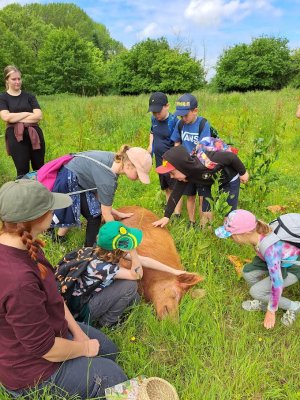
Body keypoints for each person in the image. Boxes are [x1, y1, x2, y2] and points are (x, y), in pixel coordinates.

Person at [0, 180, 127, 399]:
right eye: (50, 209)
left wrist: (78, 335)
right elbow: (45, 349)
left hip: (49, 331)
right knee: (112, 376)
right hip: (31, 371)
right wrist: (85, 349)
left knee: (109, 350)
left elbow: (54, 298)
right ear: (36, 219)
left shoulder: (27, 244)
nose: (54, 212)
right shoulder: (19, 281)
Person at [56, 220, 191, 327]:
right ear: (117, 248)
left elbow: (145, 260)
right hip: (83, 308)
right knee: (130, 286)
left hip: (84, 296)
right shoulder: (103, 267)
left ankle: (114, 311)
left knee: (135, 299)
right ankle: (108, 322)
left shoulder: (101, 251)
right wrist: (133, 252)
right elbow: (137, 275)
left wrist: (174, 271)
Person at [42, 145, 152, 246]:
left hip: (71, 172)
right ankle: (89, 250)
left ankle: (57, 237)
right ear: (128, 165)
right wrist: (122, 237)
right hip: (70, 181)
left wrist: (117, 213)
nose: (138, 179)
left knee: (84, 207)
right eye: (138, 174)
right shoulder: (108, 181)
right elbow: (106, 213)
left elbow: (101, 198)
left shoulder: (114, 160)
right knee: (94, 215)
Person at [215, 209, 300, 329]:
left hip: (292, 267)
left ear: (245, 233)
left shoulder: (270, 249)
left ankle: (294, 307)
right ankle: (264, 301)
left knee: (256, 291)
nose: (231, 239)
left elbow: (278, 282)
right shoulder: (258, 234)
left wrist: (271, 312)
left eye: (232, 235)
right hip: (276, 261)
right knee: (247, 272)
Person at [152, 143, 249, 228]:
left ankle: (228, 232)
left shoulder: (205, 162)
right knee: (206, 210)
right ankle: (207, 233)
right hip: (208, 181)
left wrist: (243, 173)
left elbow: (231, 157)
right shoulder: (185, 175)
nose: (171, 177)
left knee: (228, 211)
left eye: (172, 173)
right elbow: (175, 194)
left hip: (229, 179)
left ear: (182, 167)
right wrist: (166, 216)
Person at [170, 93, 212, 227]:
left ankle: (204, 224)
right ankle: (192, 222)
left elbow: (204, 147)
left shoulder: (203, 124)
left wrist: (194, 162)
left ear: (195, 111)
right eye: (181, 116)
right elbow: (176, 143)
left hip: (200, 165)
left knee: (202, 196)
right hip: (185, 166)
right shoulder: (180, 124)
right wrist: (178, 162)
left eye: (186, 115)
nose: (183, 118)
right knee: (190, 195)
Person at [0, 65, 45, 178]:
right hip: (15, 136)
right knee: (22, 171)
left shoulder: (29, 96)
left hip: (35, 134)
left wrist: (15, 117)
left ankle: (40, 194)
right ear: (7, 80)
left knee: (40, 169)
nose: (17, 81)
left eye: (19, 79)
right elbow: (6, 117)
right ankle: (24, 195)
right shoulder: (3, 98)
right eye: (13, 79)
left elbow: (38, 116)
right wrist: (27, 113)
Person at [147, 92, 182, 217]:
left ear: (167, 106)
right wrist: (150, 146)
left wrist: (175, 161)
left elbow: (178, 142)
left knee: (174, 186)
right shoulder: (153, 119)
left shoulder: (174, 122)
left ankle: (177, 213)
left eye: (158, 112)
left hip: (171, 160)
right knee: (166, 186)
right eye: (153, 113)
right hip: (158, 158)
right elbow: (152, 132)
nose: (156, 115)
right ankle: (170, 209)